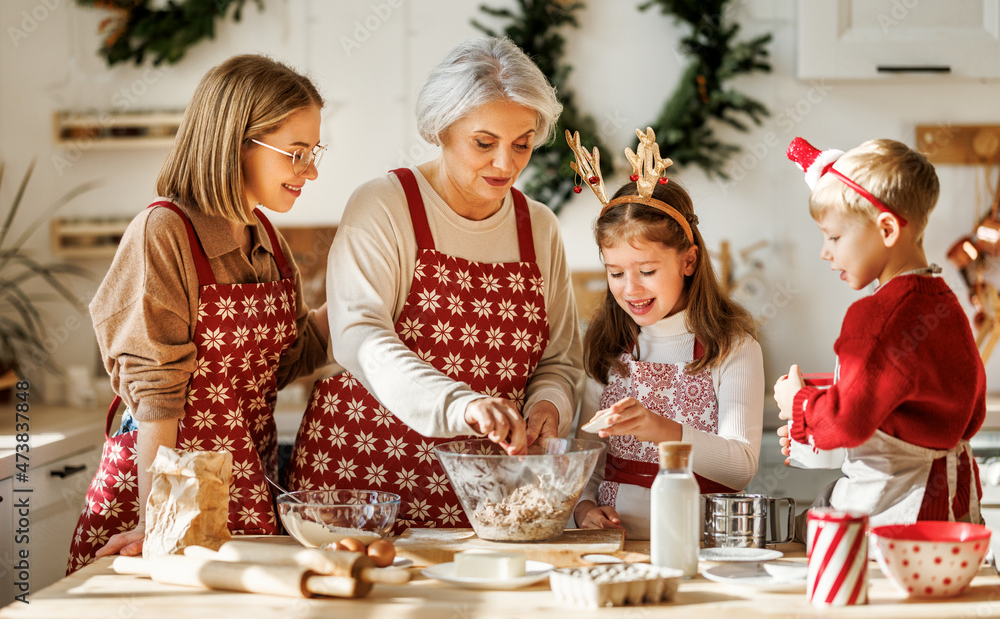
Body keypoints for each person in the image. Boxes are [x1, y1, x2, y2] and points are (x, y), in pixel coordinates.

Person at [285, 36, 583, 531]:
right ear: (440, 129)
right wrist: (462, 404)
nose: (505, 164)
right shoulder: (384, 205)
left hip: (486, 499)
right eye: (484, 143)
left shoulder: (540, 227)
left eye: (522, 143)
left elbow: (558, 359)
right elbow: (360, 336)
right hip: (360, 483)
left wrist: (550, 404)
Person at [67, 54, 331, 572]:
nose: (312, 170)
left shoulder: (268, 240)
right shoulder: (164, 232)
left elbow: (285, 361)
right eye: (296, 153)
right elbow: (156, 395)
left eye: (314, 151)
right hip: (164, 488)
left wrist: (361, 297)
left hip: (241, 483)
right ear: (236, 143)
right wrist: (155, 519)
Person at [775, 137, 986, 528]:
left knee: (804, 536)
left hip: (897, 517)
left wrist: (801, 405)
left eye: (834, 237)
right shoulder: (945, 302)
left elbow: (847, 422)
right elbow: (966, 411)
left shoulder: (876, 315)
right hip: (954, 512)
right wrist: (823, 420)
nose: (825, 251)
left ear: (887, 228)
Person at [568, 128, 763, 540]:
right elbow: (588, 461)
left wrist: (662, 430)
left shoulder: (733, 348)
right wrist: (584, 509)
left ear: (688, 261)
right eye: (616, 273)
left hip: (706, 544)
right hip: (618, 547)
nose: (631, 288)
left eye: (648, 271)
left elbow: (741, 464)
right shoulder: (608, 349)